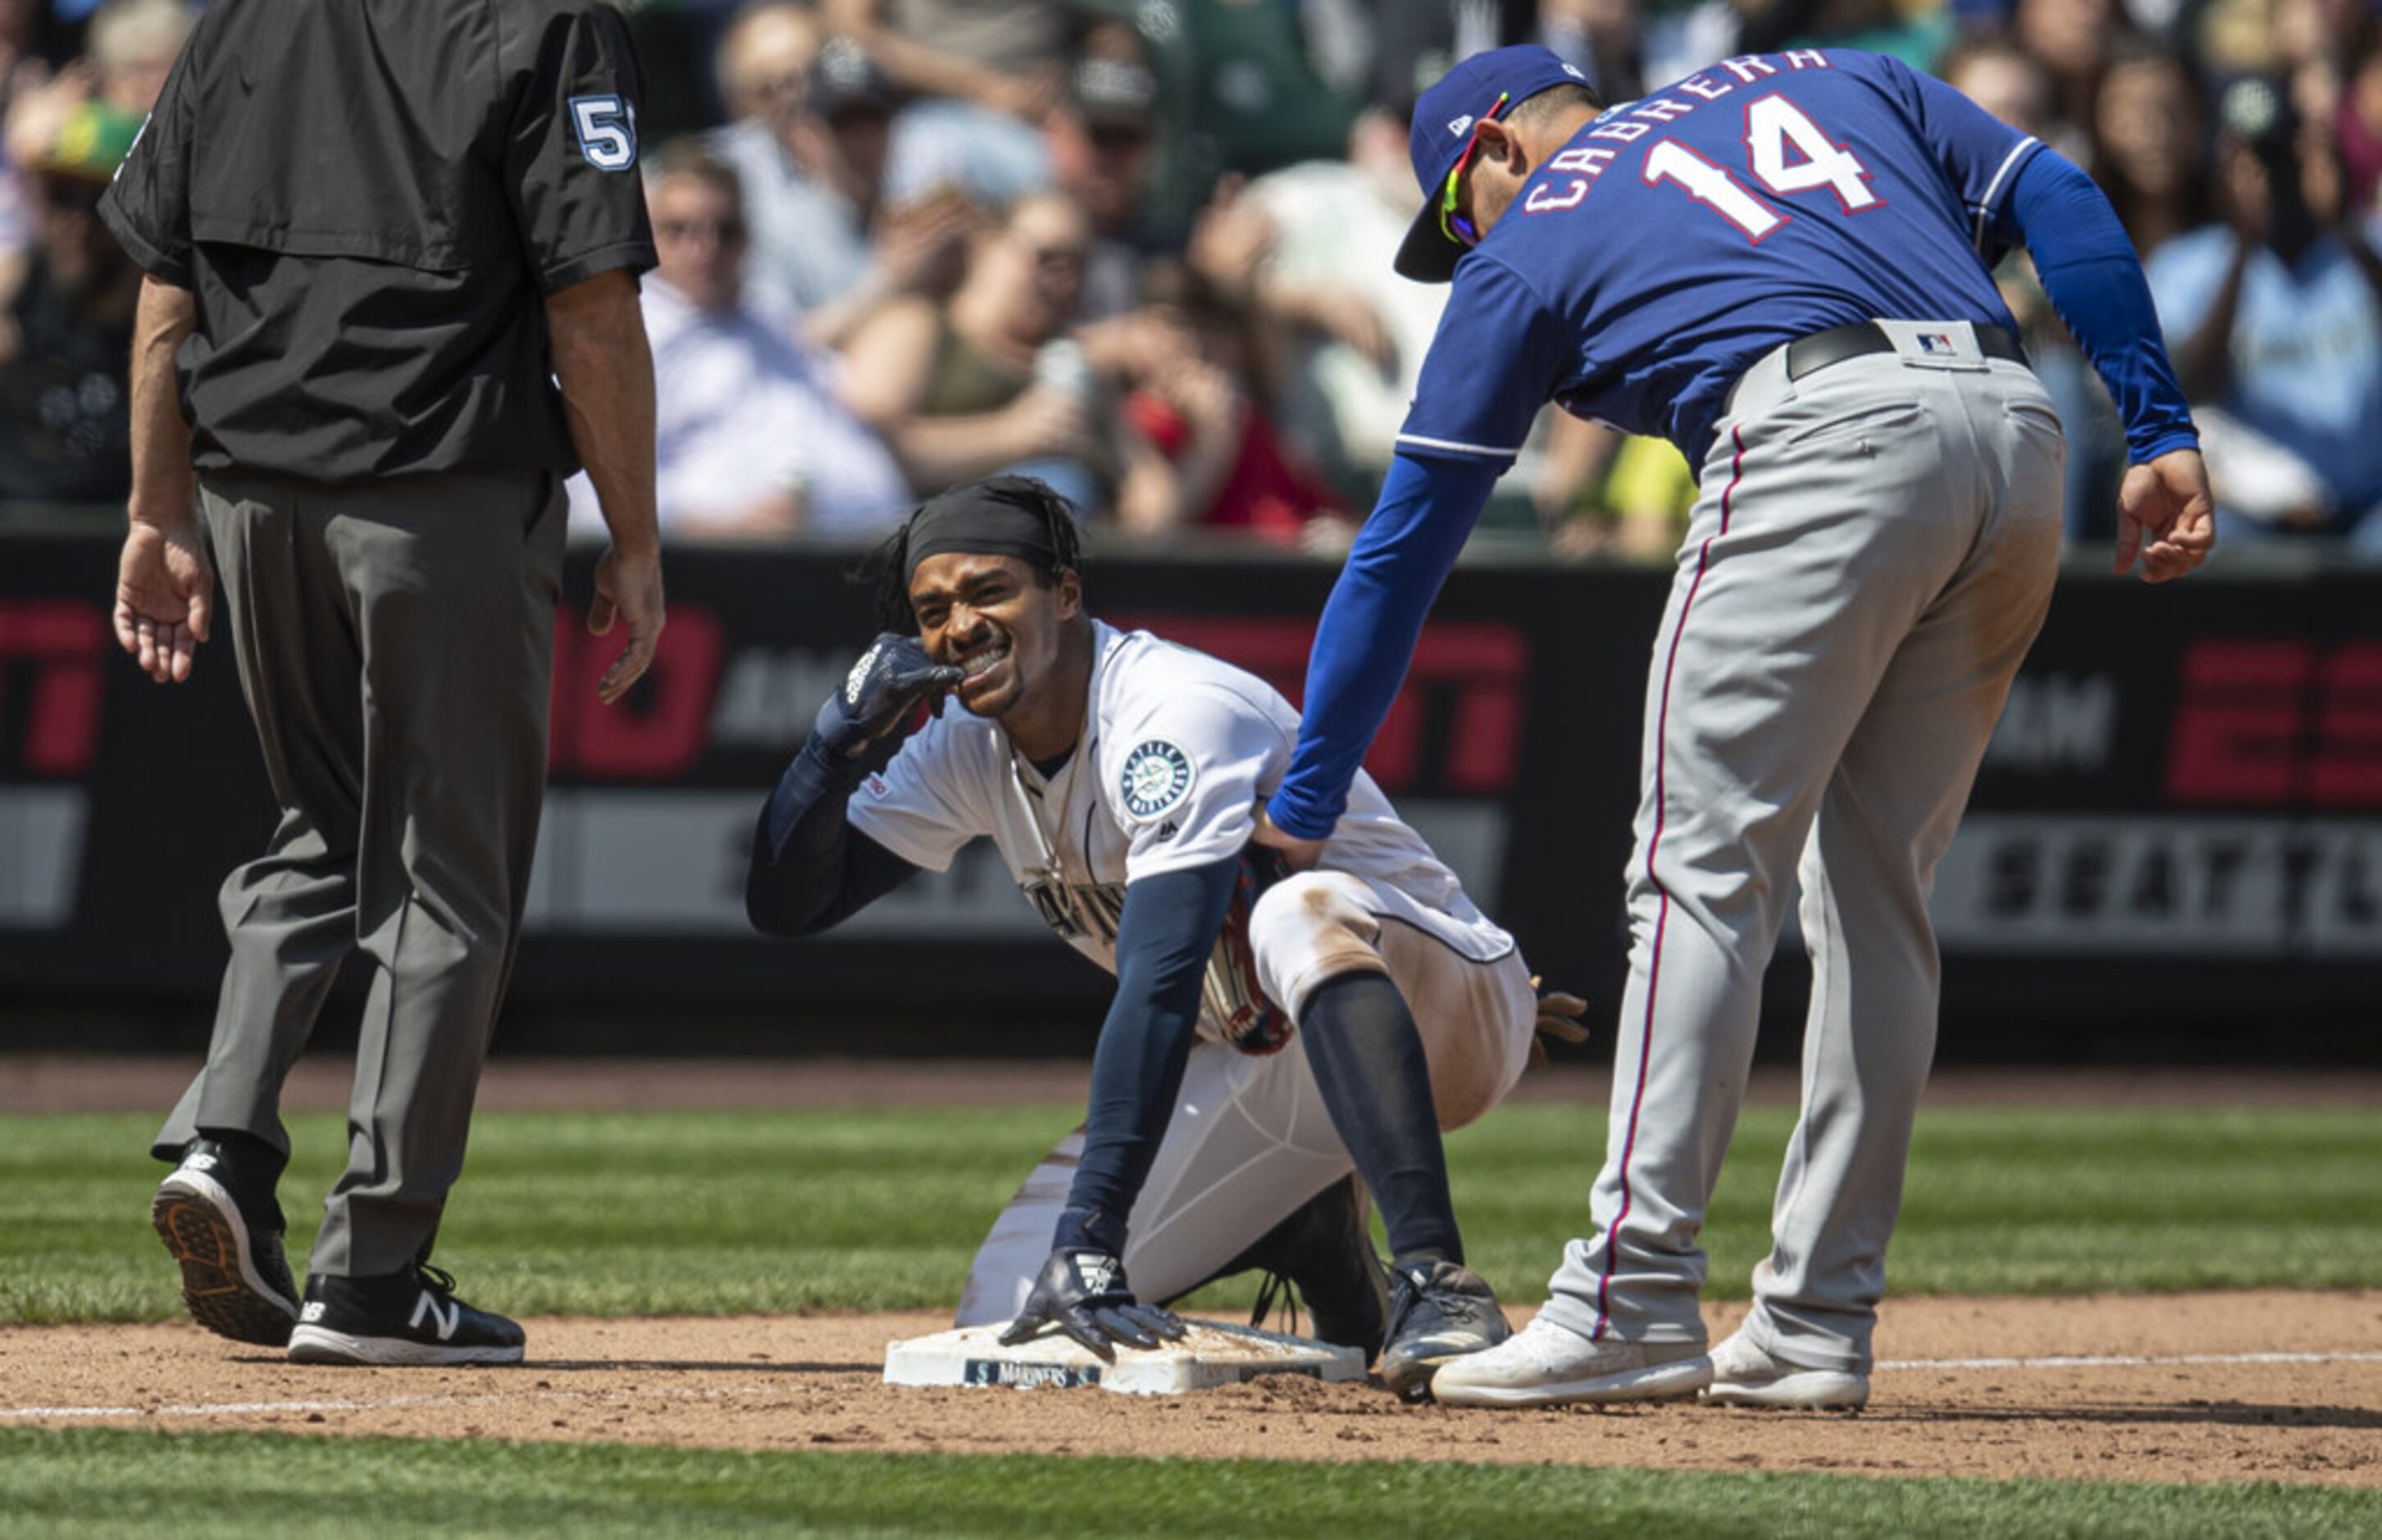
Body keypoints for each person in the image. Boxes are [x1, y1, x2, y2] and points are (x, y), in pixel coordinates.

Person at [1252, 44, 2211, 1410]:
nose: (1466, 246)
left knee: (1698, 876)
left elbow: (1403, 549)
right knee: (1877, 894)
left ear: (1497, 151)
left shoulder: (1532, 234)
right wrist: (2157, 415)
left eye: (1456, 214)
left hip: (1817, 432)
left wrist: (1305, 800)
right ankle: (1817, 1317)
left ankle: (1631, 1295)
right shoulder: (1835, 77)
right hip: (2015, 436)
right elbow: (2059, 194)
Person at [102, 0, 665, 1367]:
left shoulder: (248, 15)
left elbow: (167, 289)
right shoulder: (548, 24)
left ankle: (224, 1141)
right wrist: (639, 539)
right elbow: (590, 312)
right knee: (446, 874)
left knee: (320, 827)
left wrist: (156, 504)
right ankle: (374, 1277)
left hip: (250, 481)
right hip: (439, 486)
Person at [745, 475, 1574, 1396]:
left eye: (989, 591)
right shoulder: (965, 748)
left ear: (1064, 592)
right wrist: (832, 745)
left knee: (1293, 914)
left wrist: (1091, 1234)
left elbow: (1160, 982)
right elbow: (790, 904)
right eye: (932, 609)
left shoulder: (1171, 710)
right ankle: (1304, 1230)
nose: (959, 626)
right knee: (1003, 1311)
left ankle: (1436, 1281)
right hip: (1263, 1055)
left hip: (1438, 1011)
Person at [567, 140, 909, 540]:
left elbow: (843, 432)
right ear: (646, 235)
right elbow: (591, 495)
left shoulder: (768, 318)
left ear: (746, 238)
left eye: (724, 231)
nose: (704, 248)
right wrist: (725, 527)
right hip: (708, 568)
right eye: (680, 229)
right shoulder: (621, 338)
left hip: (846, 542)